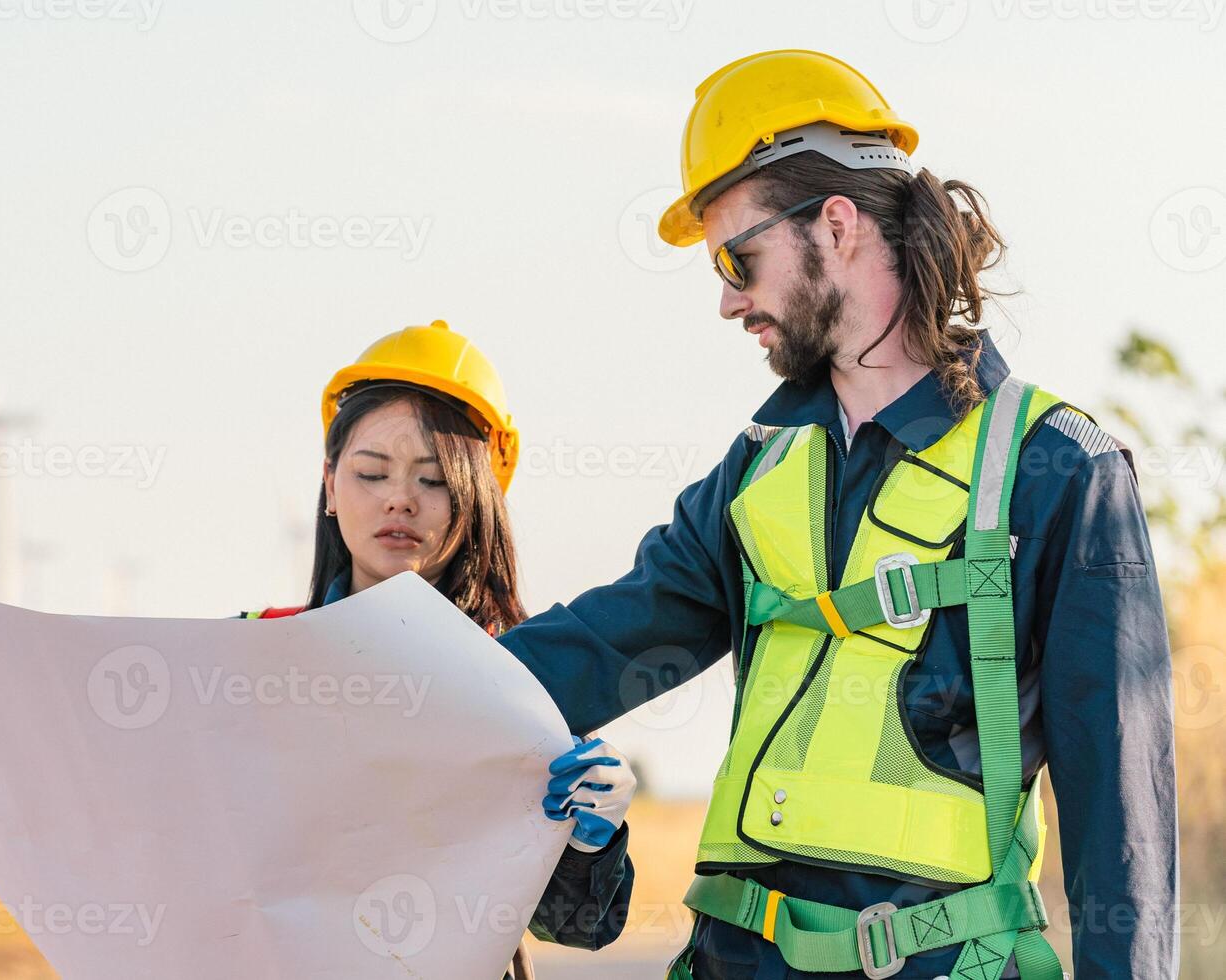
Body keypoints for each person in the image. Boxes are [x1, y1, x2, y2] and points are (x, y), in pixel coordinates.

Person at [493, 50, 1177, 979]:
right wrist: (371, 691)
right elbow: (594, 647)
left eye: (739, 258)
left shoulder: (1057, 468)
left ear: (838, 225)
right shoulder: (758, 468)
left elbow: (1120, 826)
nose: (729, 299)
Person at [0, 320, 636, 979]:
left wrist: (593, 842)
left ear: (479, 493)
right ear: (327, 482)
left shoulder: (517, 682)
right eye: (371, 471)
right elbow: (93, 795)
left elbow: (580, 929)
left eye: (431, 478)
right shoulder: (254, 649)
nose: (398, 499)